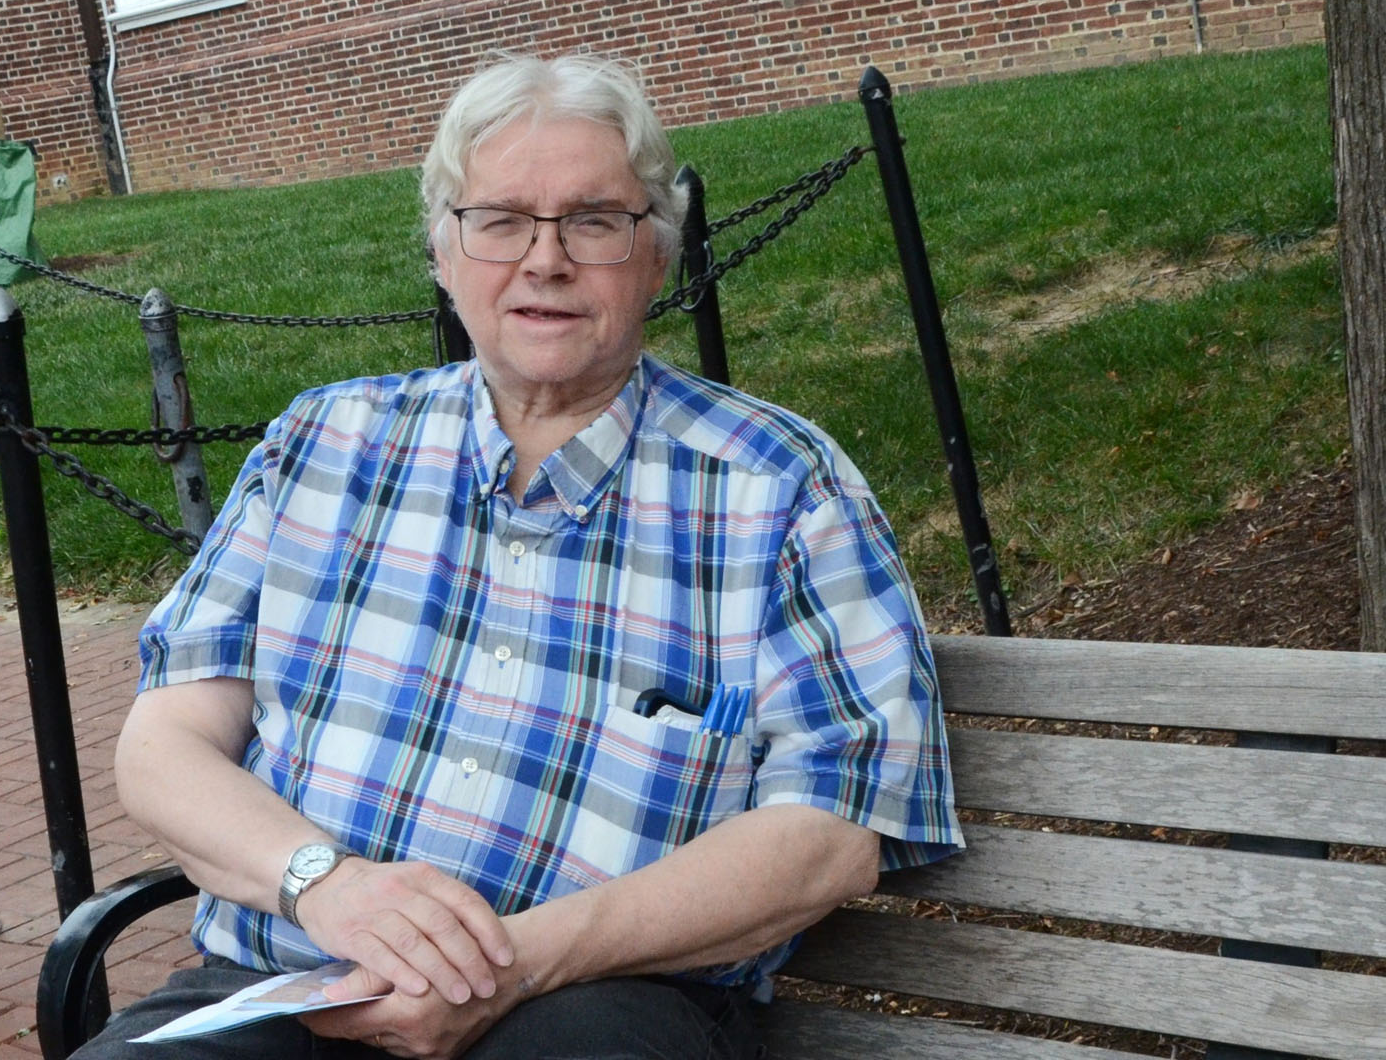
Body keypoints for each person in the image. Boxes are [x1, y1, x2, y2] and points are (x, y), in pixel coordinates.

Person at [81, 52, 963, 1060]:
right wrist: (326, 885)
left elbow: (832, 833)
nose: (545, 259)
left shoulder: (783, 487)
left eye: (593, 220)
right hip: (291, 987)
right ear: (442, 250)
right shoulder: (320, 445)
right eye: (500, 220)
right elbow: (163, 747)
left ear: (658, 254)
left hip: (597, 1005)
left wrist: (512, 963)